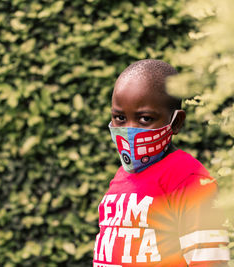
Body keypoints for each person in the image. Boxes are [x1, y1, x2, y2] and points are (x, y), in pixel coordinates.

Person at [93, 59, 230, 266]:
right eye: (120, 118)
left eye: (145, 119)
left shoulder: (189, 178)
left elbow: (209, 261)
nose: (130, 129)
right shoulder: (122, 175)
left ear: (176, 122)